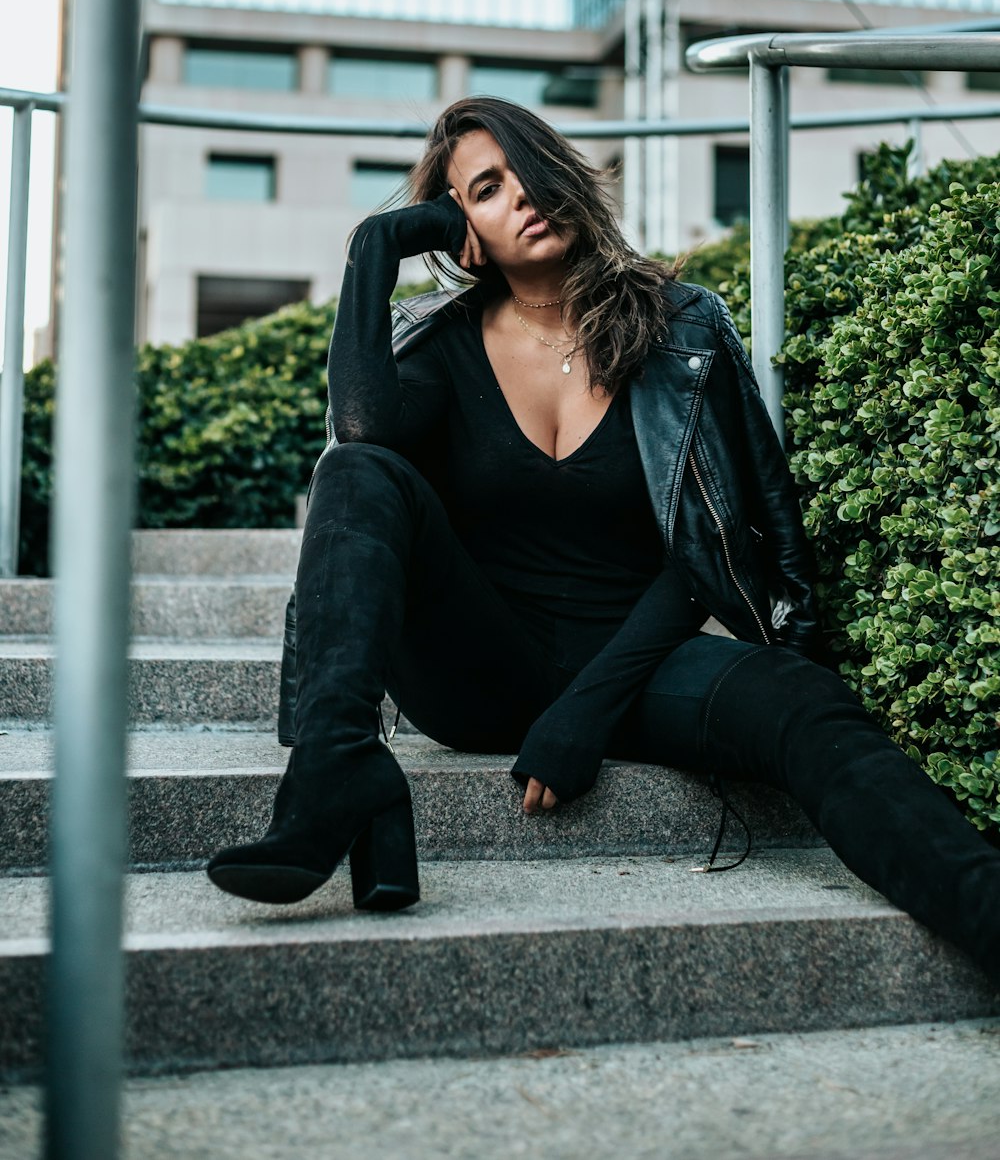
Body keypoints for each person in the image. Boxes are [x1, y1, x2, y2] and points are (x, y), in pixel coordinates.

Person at [207, 96, 1000, 983]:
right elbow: (360, 434)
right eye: (485, 189)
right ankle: (337, 765)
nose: (521, 199)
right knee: (354, 473)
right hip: (477, 667)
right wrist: (372, 250)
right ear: (460, 225)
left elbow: (706, 543)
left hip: (638, 660)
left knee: (803, 704)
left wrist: (586, 709)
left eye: (526, 170)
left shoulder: (679, 327)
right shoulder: (440, 346)